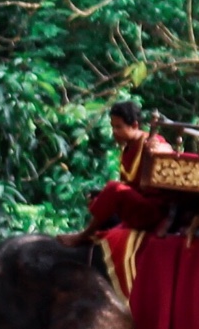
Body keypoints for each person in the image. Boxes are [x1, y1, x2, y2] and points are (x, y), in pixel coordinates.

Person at [66, 101, 170, 243]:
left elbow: (167, 150)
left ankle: (83, 236)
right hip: (137, 206)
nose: (114, 132)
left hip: (152, 211)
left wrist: (159, 149)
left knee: (114, 188)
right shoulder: (128, 147)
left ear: (134, 125)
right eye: (113, 127)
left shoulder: (151, 141)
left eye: (118, 127)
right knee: (97, 196)